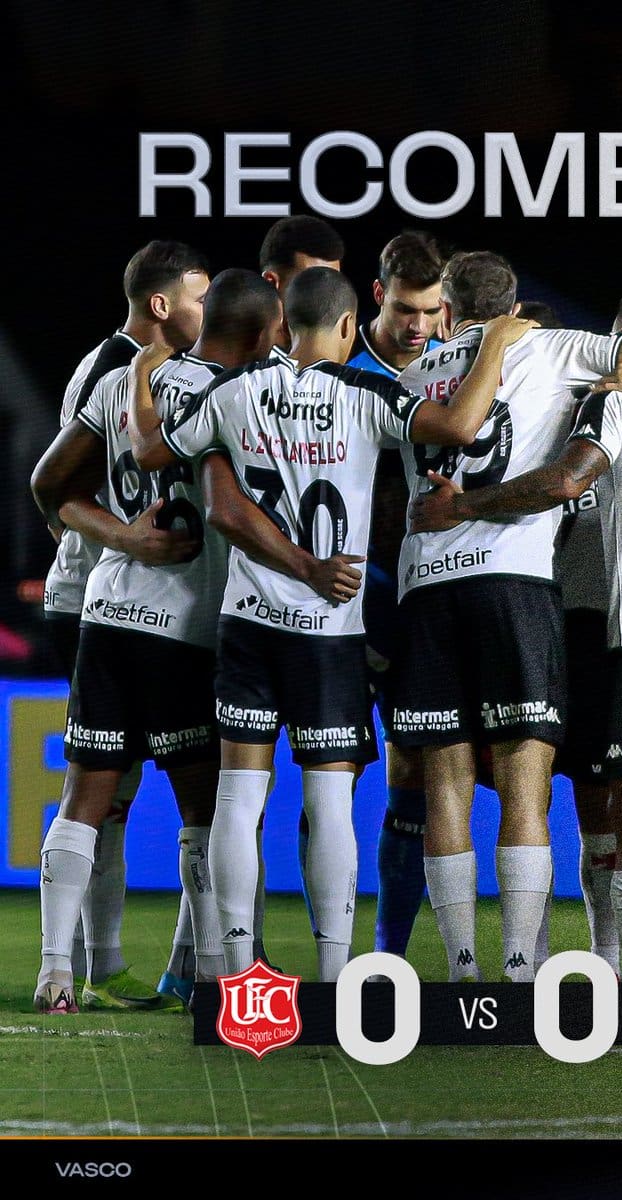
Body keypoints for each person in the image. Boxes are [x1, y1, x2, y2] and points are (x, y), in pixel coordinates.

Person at [126, 265, 534, 982]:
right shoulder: (366, 394)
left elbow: (151, 451)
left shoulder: (235, 391)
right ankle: (333, 974)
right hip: (330, 630)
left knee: (238, 799)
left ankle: (234, 972)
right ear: (350, 326)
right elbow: (461, 427)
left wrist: (140, 376)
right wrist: (497, 339)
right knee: (329, 802)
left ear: (285, 325)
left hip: (249, 621)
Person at [390, 252, 622, 983]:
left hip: (427, 584)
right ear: (514, 304)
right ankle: (520, 970)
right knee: (524, 786)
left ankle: (462, 973)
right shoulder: (554, 347)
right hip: (515, 584)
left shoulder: (411, 379)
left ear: (444, 309)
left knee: (446, 786)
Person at [29, 265, 285, 1015]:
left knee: (85, 796)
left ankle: (56, 973)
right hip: (185, 625)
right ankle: (214, 978)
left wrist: (121, 538)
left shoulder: (124, 382)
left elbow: (53, 483)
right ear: (259, 333)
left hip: (106, 613)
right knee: (203, 810)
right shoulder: (238, 397)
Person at [35, 239, 211, 1010]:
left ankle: (107, 965)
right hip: (93, 599)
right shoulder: (111, 369)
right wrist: (126, 542)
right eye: (198, 296)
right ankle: (97, 964)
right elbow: (54, 490)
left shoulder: (158, 371)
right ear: (162, 305)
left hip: (121, 600)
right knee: (110, 789)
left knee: (115, 788)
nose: (208, 310)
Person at [346, 231, 445, 961]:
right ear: (378, 295)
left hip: (423, 606)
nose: (418, 326)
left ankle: (387, 958)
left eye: (432, 311)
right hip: (346, 601)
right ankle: (318, 955)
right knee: (330, 775)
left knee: (412, 772)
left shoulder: (456, 369)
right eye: (407, 309)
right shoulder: (342, 372)